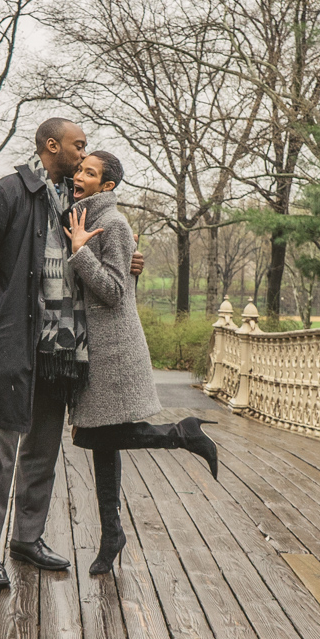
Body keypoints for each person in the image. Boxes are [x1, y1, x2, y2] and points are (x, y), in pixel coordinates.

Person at [0, 118, 141, 590]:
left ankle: (27, 539)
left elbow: (101, 261)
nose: (83, 154)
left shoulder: (74, 203)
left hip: (61, 350)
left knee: (42, 449)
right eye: (79, 146)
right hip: (12, 344)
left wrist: (133, 261)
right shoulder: (8, 192)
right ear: (52, 146)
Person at [64, 151, 218, 574]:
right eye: (79, 169)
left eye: (89, 172)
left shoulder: (112, 223)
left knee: (94, 435)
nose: (79, 175)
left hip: (112, 349)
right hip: (93, 346)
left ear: (107, 186)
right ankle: (111, 534)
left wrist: (80, 251)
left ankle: (182, 434)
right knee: (102, 439)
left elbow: (114, 291)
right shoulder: (80, 215)